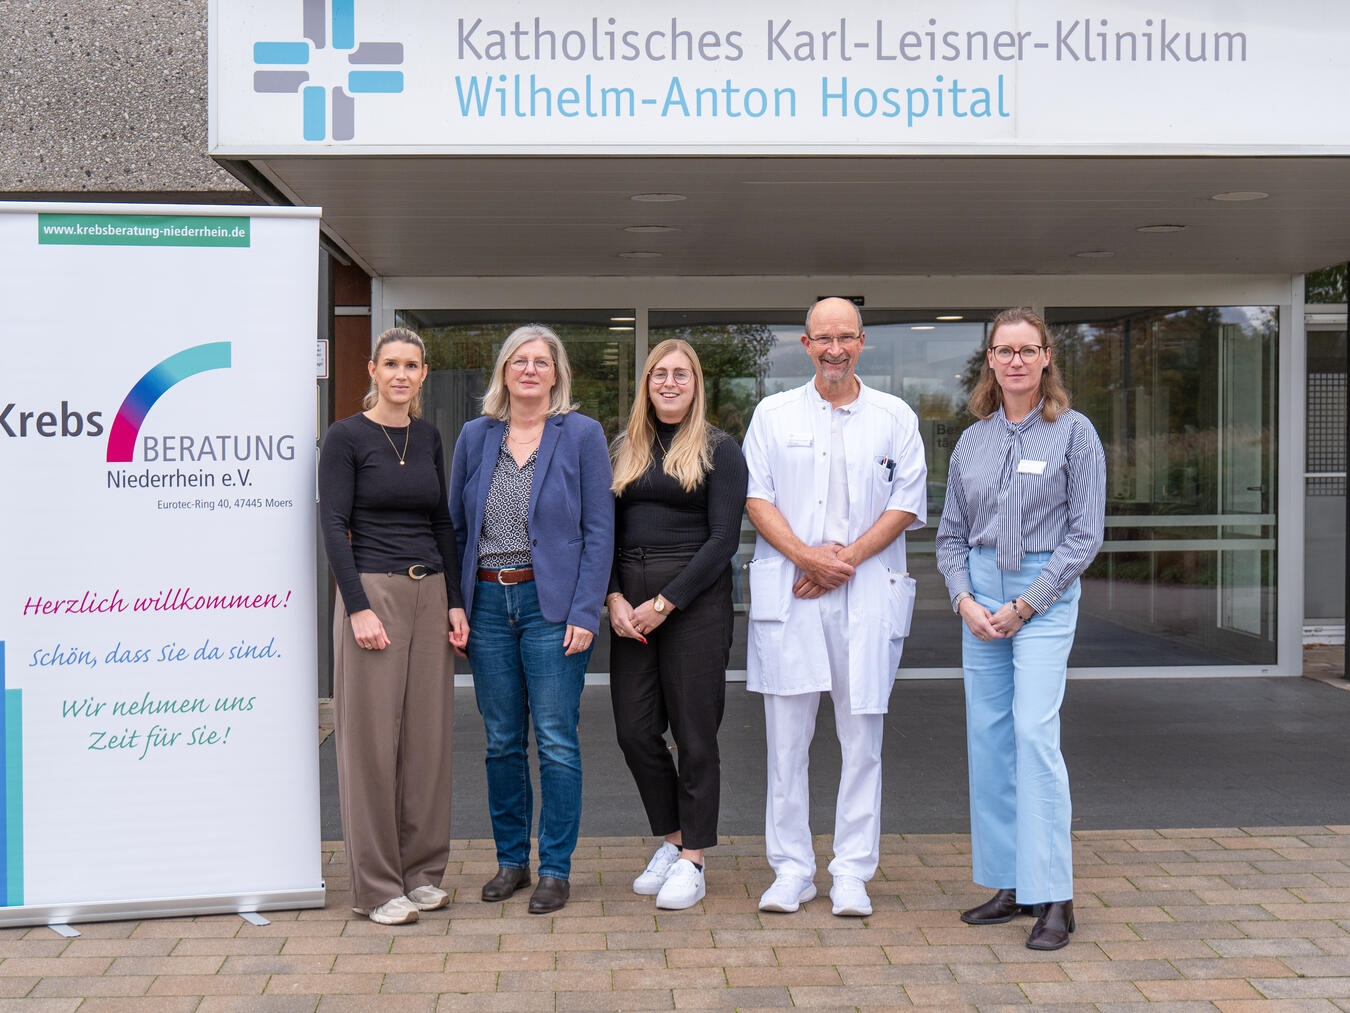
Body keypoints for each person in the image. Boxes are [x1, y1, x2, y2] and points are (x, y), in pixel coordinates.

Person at [742, 297, 927, 918]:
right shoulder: (772, 414)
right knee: (786, 744)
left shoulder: (895, 417)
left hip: (865, 594)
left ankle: (851, 872)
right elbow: (756, 498)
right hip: (795, 594)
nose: (835, 349)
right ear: (805, 344)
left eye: (846, 337)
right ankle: (791, 871)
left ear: (862, 342)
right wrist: (806, 557)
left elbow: (905, 505)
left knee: (862, 740)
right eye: (823, 338)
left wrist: (837, 561)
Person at [935, 307, 1106, 951]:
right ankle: (1009, 883)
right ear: (990, 361)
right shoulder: (972, 440)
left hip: (1044, 594)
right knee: (990, 740)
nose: (1014, 361)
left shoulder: (1075, 433)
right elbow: (950, 535)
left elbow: (1085, 534)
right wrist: (963, 601)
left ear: (1045, 357)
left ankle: (1055, 895)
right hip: (981, 597)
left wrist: (1027, 603)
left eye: (1026, 350)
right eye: (1003, 351)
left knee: (1035, 735)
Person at [449, 324, 613, 915]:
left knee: (555, 739)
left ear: (556, 373)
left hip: (552, 608)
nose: (529, 370)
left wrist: (585, 610)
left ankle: (556, 870)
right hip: (489, 604)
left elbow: (600, 530)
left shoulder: (582, 435)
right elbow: (458, 531)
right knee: (500, 741)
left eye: (541, 361)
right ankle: (511, 862)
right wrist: (458, 604)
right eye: (519, 361)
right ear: (503, 372)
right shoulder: (476, 436)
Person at [318, 326, 469, 926]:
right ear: (373, 371)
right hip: (373, 590)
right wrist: (357, 607)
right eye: (391, 364)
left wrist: (455, 601)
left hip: (429, 592)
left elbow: (442, 524)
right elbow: (333, 526)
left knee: (428, 743)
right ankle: (378, 886)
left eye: (412, 365)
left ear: (424, 374)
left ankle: (423, 874)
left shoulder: (430, 437)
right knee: (373, 745)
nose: (402, 374)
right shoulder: (346, 438)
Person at [607, 339, 749, 910]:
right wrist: (613, 596)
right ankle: (672, 838)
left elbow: (724, 541)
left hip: (693, 605)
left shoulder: (719, 449)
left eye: (680, 375)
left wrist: (665, 602)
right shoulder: (624, 448)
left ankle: (694, 859)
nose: (669, 383)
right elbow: (605, 533)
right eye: (659, 374)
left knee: (694, 736)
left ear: (696, 385)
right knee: (634, 731)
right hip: (629, 607)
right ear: (646, 383)